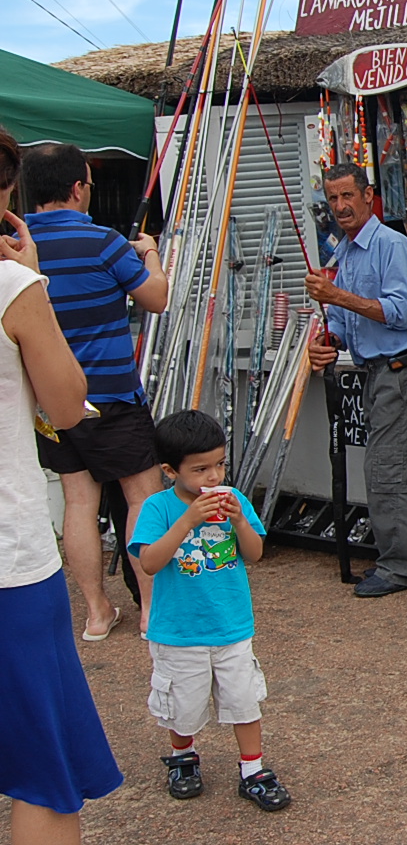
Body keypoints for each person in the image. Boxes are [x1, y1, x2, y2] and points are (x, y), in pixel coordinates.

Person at [0, 125, 123, 845]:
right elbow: (68, 403)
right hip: (11, 567)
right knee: (43, 774)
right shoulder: (14, 286)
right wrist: (31, 275)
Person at [23, 142, 169, 640]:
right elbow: (156, 297)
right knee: (142, 496)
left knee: (79, 502)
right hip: (111, 395)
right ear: (79, 187)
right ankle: (151, 609)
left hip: (49, 402)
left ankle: (95, 612)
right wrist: (149, 253)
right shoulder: (104, 241)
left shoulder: (15, 244)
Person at [127, 409, 291, 812]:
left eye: (220, 464)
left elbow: (255, 554)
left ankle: (252, 769)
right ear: (170, 470)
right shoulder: (158, 507)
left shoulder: (233, 499)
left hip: (231, 625)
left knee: (243, 699)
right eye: (200, 469)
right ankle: (183, 757)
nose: (214, 477)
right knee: (182, 706)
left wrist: (239, 522)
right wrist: (187, 520)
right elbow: (148, 562)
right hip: (178, 631)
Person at [305, 162, 407, 598]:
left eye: (347, 196)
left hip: (402, 373)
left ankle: (398, 567)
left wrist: (336, 296)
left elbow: (401, 313)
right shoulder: (345, 251)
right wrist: (328, 339)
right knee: (386, 469)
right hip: (377, 374)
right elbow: (342, 318)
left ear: (367, 195)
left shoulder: (391, 246)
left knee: (390, 471)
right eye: (333, 199)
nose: (340, 206)